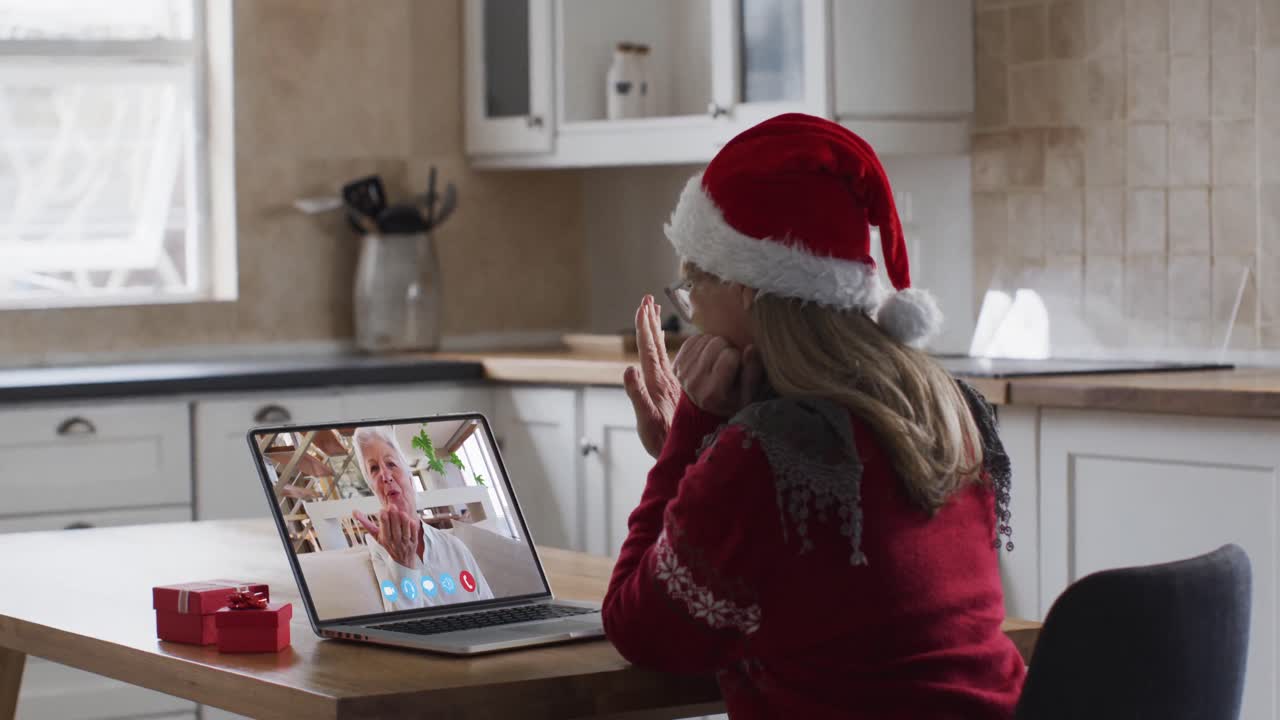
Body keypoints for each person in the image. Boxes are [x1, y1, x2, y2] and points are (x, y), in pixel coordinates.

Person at [604, 113, 1025, 719]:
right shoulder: (948, 408)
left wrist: (690, 439)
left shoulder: (763, 454)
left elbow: (637, 628)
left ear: (747, 286)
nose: (692, 317)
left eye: (693, 288)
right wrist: (707, 458)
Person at [351, 426, 494, 610]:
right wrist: (402, 564)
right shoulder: (378, 555)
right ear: (374, 489)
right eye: (374, 469)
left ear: (410, 478)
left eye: (391, 464)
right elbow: (403, 630)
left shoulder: (454, 547)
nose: (385, 476)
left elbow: (489, 606)